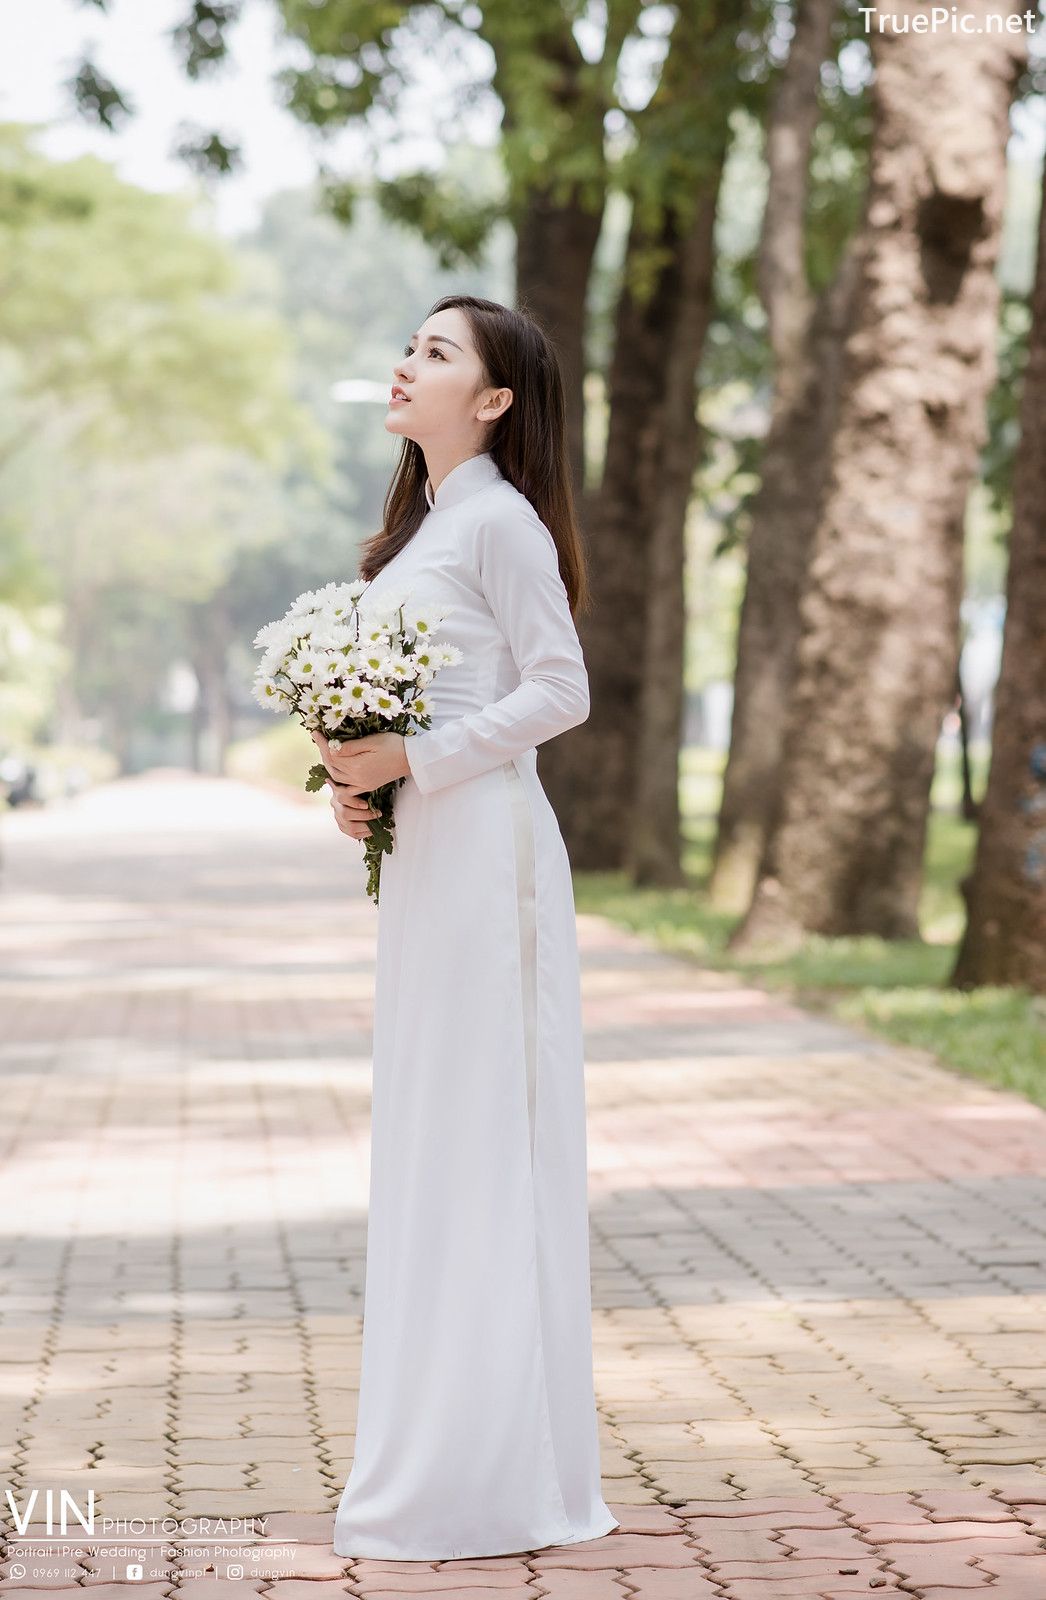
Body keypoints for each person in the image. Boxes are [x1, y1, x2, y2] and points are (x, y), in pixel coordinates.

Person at [312, 293, 619, 1561]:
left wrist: (420, 758)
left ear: (492, 401)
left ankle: (488, 1474)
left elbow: (562, 688)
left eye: (437, 353)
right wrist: (358, 778)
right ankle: (442, 1444)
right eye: (410, 344)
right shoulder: (427, 530)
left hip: (488, 855)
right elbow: (415, 707)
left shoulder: (497, 521)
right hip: (427, 859)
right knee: (432, 1133)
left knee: (483, 1137)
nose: (406, 363)